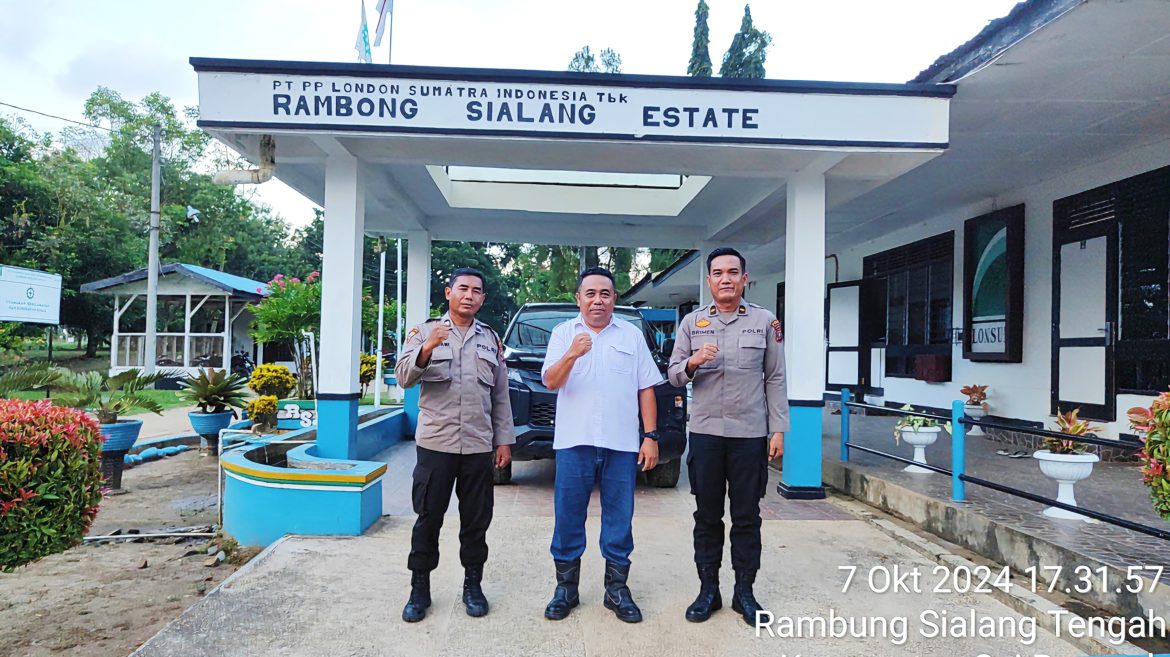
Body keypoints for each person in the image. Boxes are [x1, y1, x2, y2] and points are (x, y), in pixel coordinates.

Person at [668, 247, 788, 626]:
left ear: (744, 278)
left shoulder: (765, 322)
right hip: (705, 435)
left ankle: (744, 592)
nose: (725, 279)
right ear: (708, 281)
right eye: (717, 273)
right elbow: (673, 374)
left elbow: (775, 377)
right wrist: (693, 361)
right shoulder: (692, 323)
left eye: (732, 272)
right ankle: (708, 591)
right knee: (706, 516)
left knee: (747, 516)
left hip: (749, 435)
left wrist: (778, 428)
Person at [540, 266, 662, 623]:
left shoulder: (631, 336)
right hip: (574, 441)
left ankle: (617, 590)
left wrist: (651, 437)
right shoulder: (564, 334)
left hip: (621, 443)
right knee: (568, 516)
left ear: (614, 299)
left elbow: (646, 388)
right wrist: (572, 354)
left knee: (620, 517)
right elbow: (551, 381)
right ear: (578, 298)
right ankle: (566, 589)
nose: (597, 300)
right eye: (590, 293)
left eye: (605, 293)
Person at [395, 267, 514, 622]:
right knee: (428, 519)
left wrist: (504, 439)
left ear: (482, 298)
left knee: (476, 522)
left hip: (478, 446)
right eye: (462, 289)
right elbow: (403, 377)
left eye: (477, 291)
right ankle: (419, 590)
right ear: (448, 293)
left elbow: (501, 395)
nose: (469, 295)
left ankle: (472, 586)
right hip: (436, 445)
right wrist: (428, 347)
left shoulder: (490, 338)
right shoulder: (424, 331)